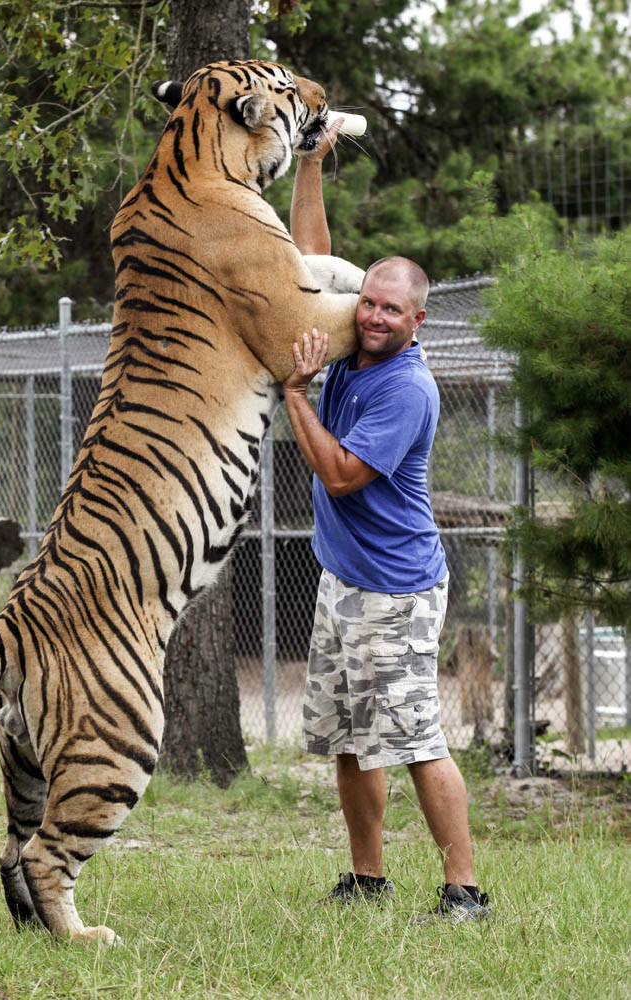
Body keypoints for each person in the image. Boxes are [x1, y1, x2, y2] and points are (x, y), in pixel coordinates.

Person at [281, 121, 491, 924]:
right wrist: (311, 163)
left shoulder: (406, 388)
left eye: (390, 309)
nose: (372, 315)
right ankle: (367, 878)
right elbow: (309, 262)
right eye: (367, 300)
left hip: (396, 593)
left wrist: (296, 394)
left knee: (413, 742)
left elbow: (339, 476)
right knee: (346, 735)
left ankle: (464, 891)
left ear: (417, 321)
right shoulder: (349, 340)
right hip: (345, 584)